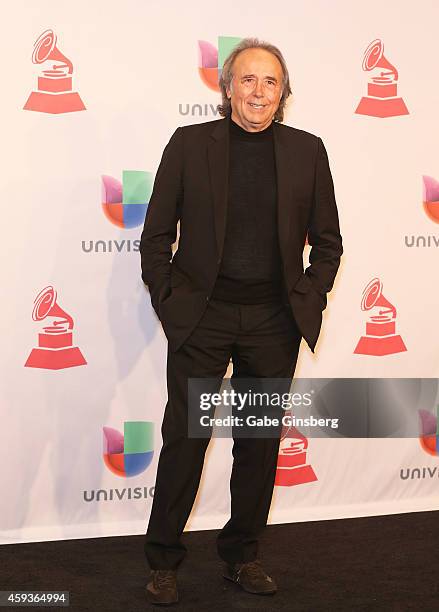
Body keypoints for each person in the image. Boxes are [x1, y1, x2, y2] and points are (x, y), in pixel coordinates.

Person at [140, 37, 343, 606]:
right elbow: (155, 238)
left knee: (258, 445)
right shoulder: (188, 145)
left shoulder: (308, 151)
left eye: (271, 82)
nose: (259, 91)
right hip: (202, 321)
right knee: (186, 440)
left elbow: (328, 244)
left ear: (284, 94)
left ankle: (242, 557)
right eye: (248, 80)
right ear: (226, 87)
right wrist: (170, 301)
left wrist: (307, 299)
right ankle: (163, 562)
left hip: (273, 325)